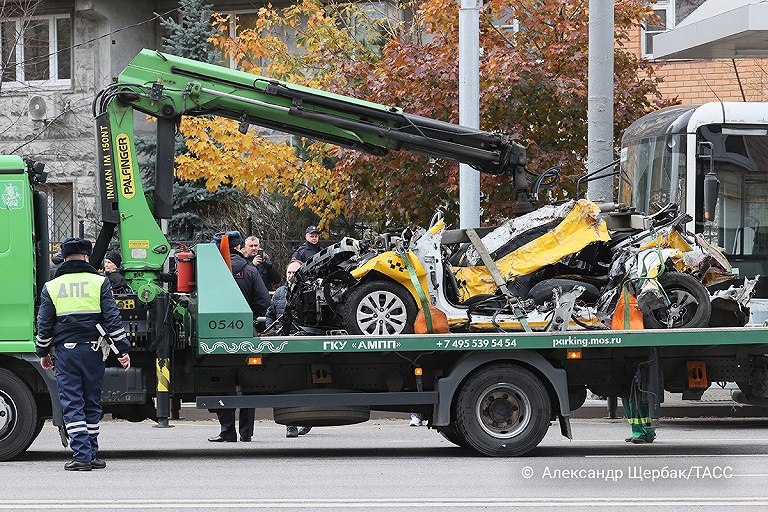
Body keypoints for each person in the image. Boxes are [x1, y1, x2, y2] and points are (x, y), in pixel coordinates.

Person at [36, 237, 131, 471]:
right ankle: (91, 453)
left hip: (67, 353)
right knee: (91, 402)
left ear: (64, 258)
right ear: (87, 257)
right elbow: (112, 320)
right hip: (94, 351)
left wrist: (43, 352)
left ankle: (82, 457)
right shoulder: (99, 282)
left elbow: (44, 324)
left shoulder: (52, 286)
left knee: (72, 402)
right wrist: (122, 350)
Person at [208, 230, 271, 443]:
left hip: (216, 333)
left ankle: (227, 430)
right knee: (247, 384)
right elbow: (264, 302)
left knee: (220, 383)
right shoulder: (251, 271)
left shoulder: (213, 271)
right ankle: (246, 433)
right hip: (245, 332)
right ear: (238, 247)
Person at [265, 259, 312, 438]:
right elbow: (270, 313)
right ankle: (290, 425)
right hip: (283, 345)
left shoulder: (309, 291)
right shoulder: (280, 292)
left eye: (295, 272)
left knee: (305, 385)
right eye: (289, 273)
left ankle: (306, 419)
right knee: (286, 386)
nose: (291, 276)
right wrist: (274, 331)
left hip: (303, 344)